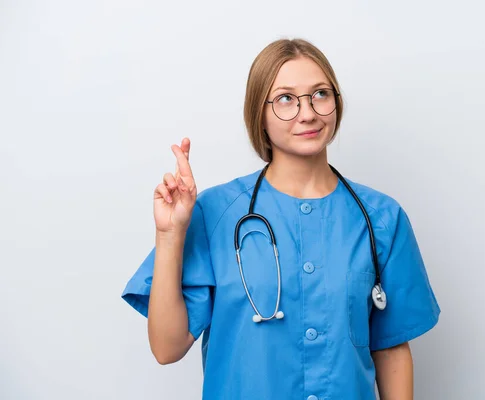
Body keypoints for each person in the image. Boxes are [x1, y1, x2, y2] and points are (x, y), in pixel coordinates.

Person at [121, 38, 441, 400]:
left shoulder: (381, 218)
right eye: (286, 99)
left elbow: (391, 347)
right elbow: (167, 347)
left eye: (320, 94)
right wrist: (169, 235)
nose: (308, 113)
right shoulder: (215, 213)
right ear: (259, 113)